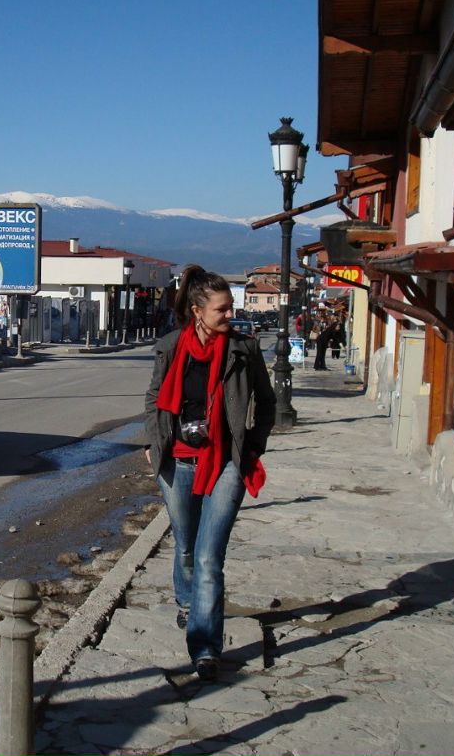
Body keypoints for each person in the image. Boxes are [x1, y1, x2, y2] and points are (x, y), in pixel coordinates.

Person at [144, 265, 276, 680]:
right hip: (178, 461)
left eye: (231, 307)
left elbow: (267, 403)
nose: (229, 315)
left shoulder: (244, 349)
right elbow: (153, 399)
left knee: (207, 557)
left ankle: (204, 647)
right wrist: (154, 442)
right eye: (222, 309)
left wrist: (251, 447)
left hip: (226, 464)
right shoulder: (170, 348)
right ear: (198, 311)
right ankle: (188, 605)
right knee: (185, 547)